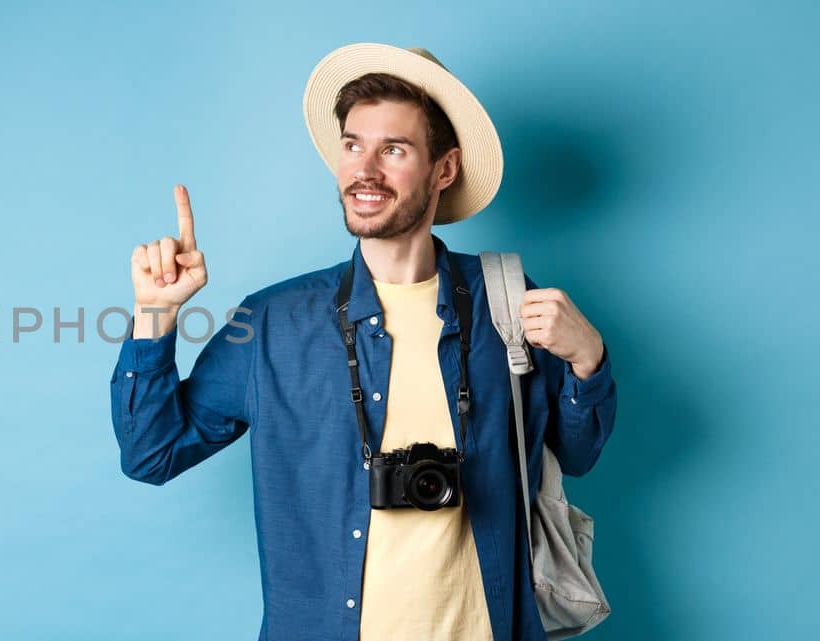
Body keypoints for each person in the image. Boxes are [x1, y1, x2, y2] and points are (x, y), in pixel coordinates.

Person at [109, 43, 617, 641]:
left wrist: (588, 358)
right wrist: (153, 315)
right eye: (353, 145)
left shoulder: (506, 299)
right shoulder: (273, 321)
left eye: (393, 149)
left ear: (444, 169)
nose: (364, 170)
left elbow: (576, 456)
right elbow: (151, 454)